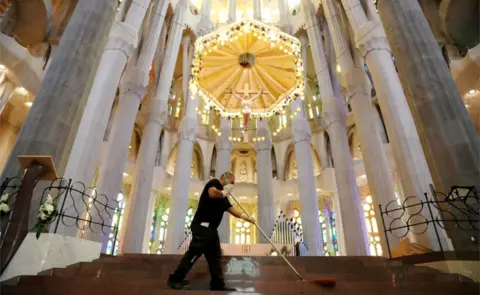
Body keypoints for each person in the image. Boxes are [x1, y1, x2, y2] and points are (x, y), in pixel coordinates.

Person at [167, 172, 255, 291]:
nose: (233, 185)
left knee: (215, 256)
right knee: (194, 252)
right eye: (232, 182)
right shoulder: (214, 183)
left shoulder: (224, 198)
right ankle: (175, 279)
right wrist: (224, 192)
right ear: (225, 178)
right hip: (202, 226)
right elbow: (212, 193)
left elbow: (232, 210)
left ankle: (217, 284)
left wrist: (246, 217)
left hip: (211, 230)